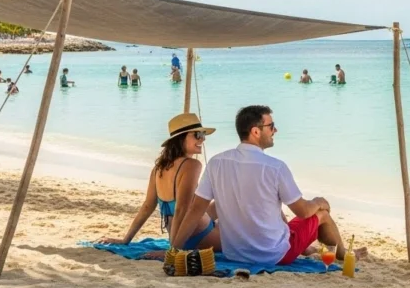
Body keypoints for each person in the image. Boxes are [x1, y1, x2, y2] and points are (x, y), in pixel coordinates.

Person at [172, 105, 366, 265]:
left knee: (275, 208)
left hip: (235, 254)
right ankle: (341, 254)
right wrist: (319, 201)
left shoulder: (216, 163)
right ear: (256, 132)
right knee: (321, 215)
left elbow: (195, 211)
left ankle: (311, 248)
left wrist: (174, 251)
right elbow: (304, 212)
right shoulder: (275, 167)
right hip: (273, 255)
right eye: (271, 126)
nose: (275, 130)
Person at [99, 113, 220, 256]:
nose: (203, 139)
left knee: (220, 203)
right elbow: (181, 209)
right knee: (240, 228)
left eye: (203, 135)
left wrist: (126, 240)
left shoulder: (159, 168)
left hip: (180, 236)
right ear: (181, 138)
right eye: (197, 135)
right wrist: (173, 251)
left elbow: (147, 206)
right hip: (198, 236)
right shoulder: (192, 165)